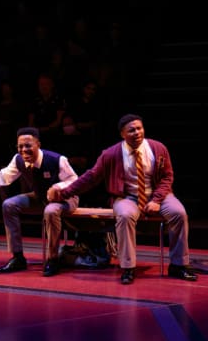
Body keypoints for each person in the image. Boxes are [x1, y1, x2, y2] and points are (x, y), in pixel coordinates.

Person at [51, 113, 197, 285]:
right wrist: (64, 192)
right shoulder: (111, 154)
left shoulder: (157, 148)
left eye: (139, 128)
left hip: (159, 194)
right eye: (132, 130)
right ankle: (128, 267)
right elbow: (91, 177)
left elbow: (167, 177)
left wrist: (157, 200)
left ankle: (179, 265)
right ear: (122, 134)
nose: (137, 132)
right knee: (125, 216)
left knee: (179, 213)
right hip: (127, 196)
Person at [0, 127, 79, 276]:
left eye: (28, 145)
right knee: (9, 205)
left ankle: (53, 259)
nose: (24, 150)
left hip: (66, 199)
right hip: (40, 197)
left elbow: (73, 180)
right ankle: (17, 257)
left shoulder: (56, 159)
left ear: (38, 144)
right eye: (20, 146)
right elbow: (3, 176)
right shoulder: (18, 159)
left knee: (50, 211)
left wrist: (57, 188)